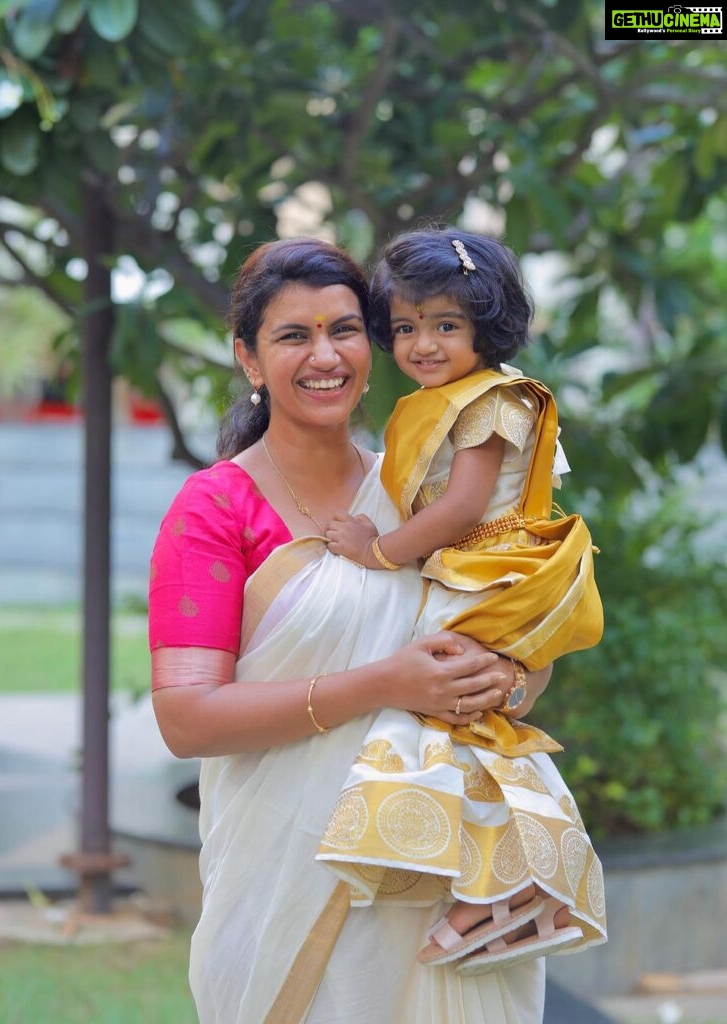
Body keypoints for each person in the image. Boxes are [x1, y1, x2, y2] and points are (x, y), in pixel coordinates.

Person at [149, 236, 557, 1024]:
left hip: (440, 876)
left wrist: (506, 679)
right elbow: (186, 718)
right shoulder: (214, 509)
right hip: (283, 880)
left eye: (342, 329)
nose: (324, 356)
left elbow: (514, 637)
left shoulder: (426, 494)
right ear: (248, 358)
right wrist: (383, 683)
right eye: (291, 336)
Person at [319, 227, 606, 974]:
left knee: (447, 709)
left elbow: (459, 510)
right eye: (407, 327)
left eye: (445, 324)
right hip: (464, 569)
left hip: (487, 570)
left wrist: (375, 551)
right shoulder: (441, 399)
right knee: (455, 723)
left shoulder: (488, 403)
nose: (422, 344)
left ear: (487, 321)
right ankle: (498, 882)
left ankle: (518, 886)